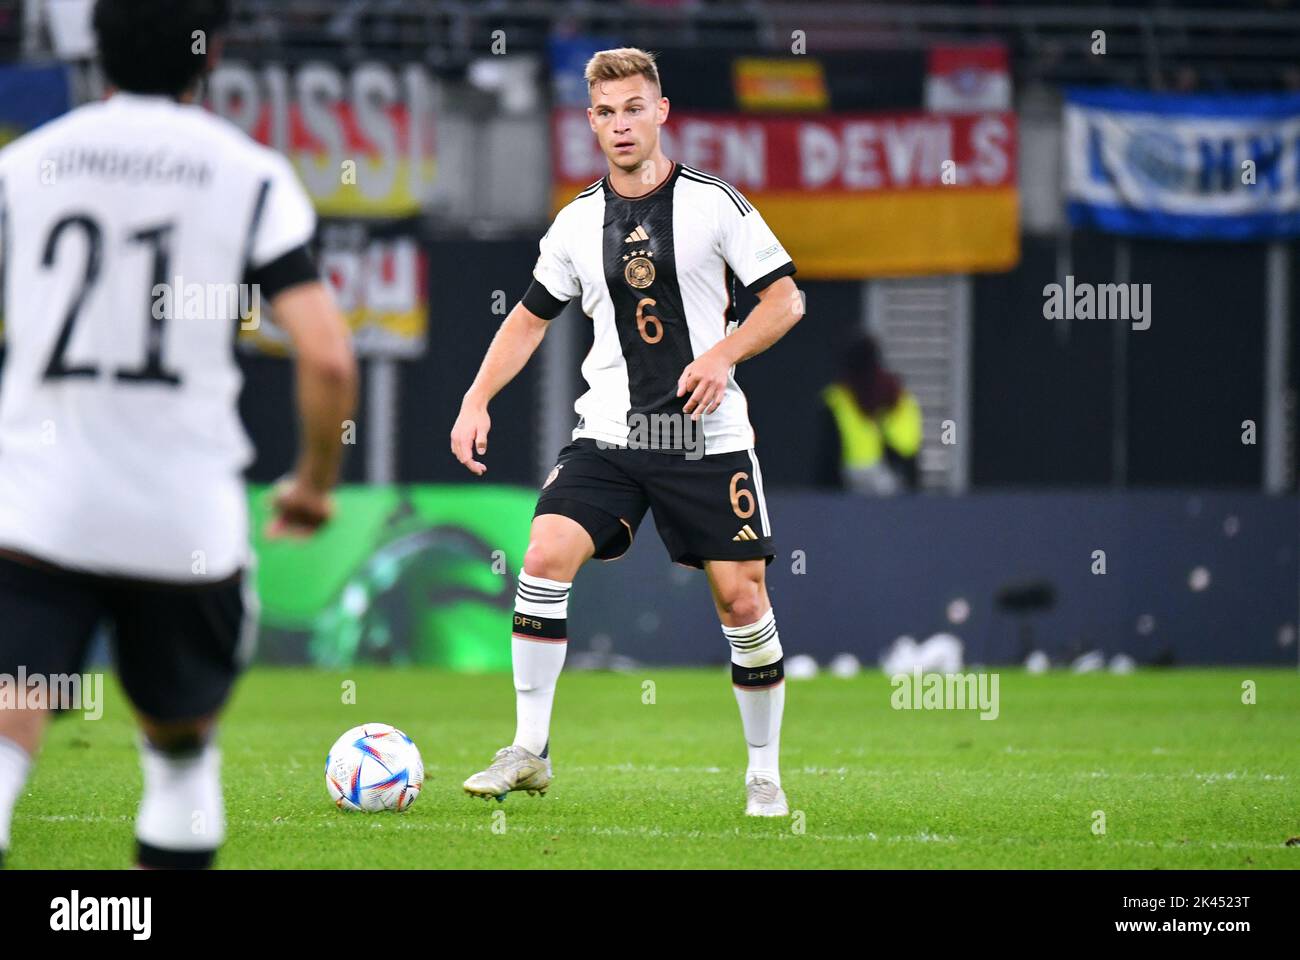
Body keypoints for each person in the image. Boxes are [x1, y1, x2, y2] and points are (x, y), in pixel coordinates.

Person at [0, 0, 357, 868]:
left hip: (37, 514)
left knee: (11, 724)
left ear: (99, 49)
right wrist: (312, 484)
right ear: (213, 53)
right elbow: (329, 359)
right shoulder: (249, 173)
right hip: (181, 524)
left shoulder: (26, 167)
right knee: (180, 757)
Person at [450, 47, 803, 816]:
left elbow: (784, 301)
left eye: (634, 108)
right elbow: (527, 319)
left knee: (742, 604)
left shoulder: (716, 204)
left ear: (662, 112)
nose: (620, 125)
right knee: (543, 553)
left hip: (705, 441)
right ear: (591, 122)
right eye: (606, 113)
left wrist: (722, 351)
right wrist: (477, 399)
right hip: (610, 434)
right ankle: (530, 750)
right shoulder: (577, 221)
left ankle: (764, 771)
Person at [815, 334, 922, 495]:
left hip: (886, 487)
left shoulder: (837, 400)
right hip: (859, 488)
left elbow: (826, 462)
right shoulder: (904, 398)